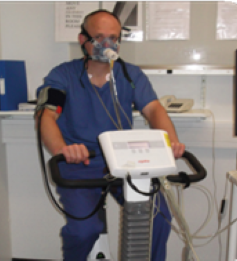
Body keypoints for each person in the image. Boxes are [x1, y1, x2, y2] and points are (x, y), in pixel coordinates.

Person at [35, 9, 185, 261]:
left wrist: (171, 141)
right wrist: (63, 149)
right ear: (83, 40)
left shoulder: (129, 75)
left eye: (114, 38)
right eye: (100, 37)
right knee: (85, 230)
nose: (108, 44)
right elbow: (46, 116)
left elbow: (154, 109)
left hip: (125, 164)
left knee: (158, 218)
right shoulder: (62, 76)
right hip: (79, 164)